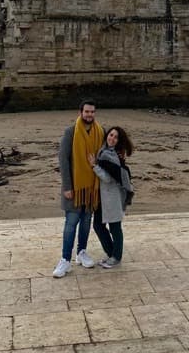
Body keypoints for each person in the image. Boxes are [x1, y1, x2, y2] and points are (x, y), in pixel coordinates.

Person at [53, 100, 104, 278]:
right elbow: (63, 160)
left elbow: (104, 156)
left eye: (92, 112)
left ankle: (81, 252)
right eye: (87, 112)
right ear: (80, 112)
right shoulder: (70, 132)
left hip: (91, 188)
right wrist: (67, 186)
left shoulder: (100, 132)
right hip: (74, 188)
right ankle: (65, 260)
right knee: (71, 223)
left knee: (85, 223)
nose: (90, 115)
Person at [89, 127, 134, 268]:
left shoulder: (112, 155)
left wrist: (94, 166)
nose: (112, 138)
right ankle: (111, 254)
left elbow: (108, 179)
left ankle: (116, 257)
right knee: (98, 225)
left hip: (112, 196)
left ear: (118, 141)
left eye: (115, 137)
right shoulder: (104, 150)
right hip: (104, 197)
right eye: (111, 135)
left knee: (115, 227)